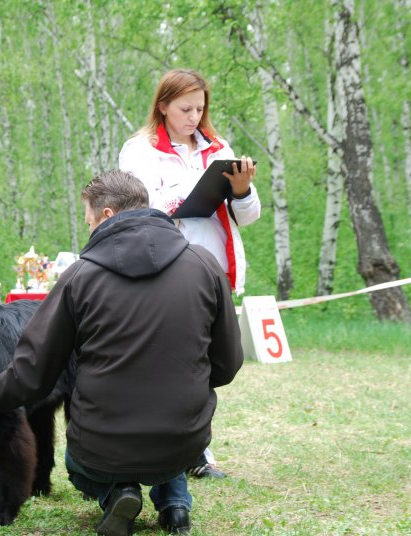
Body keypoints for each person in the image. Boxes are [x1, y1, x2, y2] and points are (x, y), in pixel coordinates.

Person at [0, 170, 244, 536]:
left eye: (88, 219)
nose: (88, 228)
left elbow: (31, 375)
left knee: (82, 459)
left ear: (106, 215)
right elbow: (228, 365)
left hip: (102, 448)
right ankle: (175, 505)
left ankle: (118, 490)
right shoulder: (204, 264)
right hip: (186, 440)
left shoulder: (79, 276)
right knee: (167, 433)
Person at [119, 68, 260, 479]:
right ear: (162, 106)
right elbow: (136, 207)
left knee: (206, 358)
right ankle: (170, 448)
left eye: (200, 108)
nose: (194, 116)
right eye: (185, 108)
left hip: (211, 265)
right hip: (162, 265)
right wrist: (191, 192)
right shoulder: (138, 150)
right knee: (168, 356)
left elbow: (247, 217)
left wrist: (242, 190)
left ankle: (199, 448)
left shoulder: (219, 148)